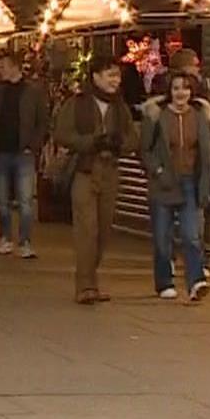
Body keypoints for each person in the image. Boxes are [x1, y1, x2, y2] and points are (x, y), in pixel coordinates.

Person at [54, 55, 138, 304]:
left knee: (103, 230)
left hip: (110, 170)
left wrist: (119, 144)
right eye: (110, 75)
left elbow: (133, 137)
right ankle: (85, 285)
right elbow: (62, 133)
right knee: (86, 229)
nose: (115, 80)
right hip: (84, 170)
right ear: (96, 77)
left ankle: (92, 278)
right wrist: (91, 141)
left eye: (117, 75)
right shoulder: (77, 103)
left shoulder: (120, 107)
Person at [141, 72, 210, 302]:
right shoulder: (157, 116)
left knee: (191, 235)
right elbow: (145, 150)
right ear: (169, 92)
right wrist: (158, 171)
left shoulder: (199, 117)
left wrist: (204, 186)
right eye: (176, 88)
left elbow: (206, 154)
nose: (181, 93)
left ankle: (196, 281)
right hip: (164, 183)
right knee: (163, 237)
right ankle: (164, 282)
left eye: (185, 88)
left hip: (189, 181)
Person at [0, 51, 49, 259]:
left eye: (2, 66)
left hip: (23, 153)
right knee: (2, 200)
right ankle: (5, 238)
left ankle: (25, 241)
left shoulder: (33, 92)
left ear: (14, 66)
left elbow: (42, 121)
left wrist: (34, 145)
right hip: (0, 152)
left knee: (25, 200)